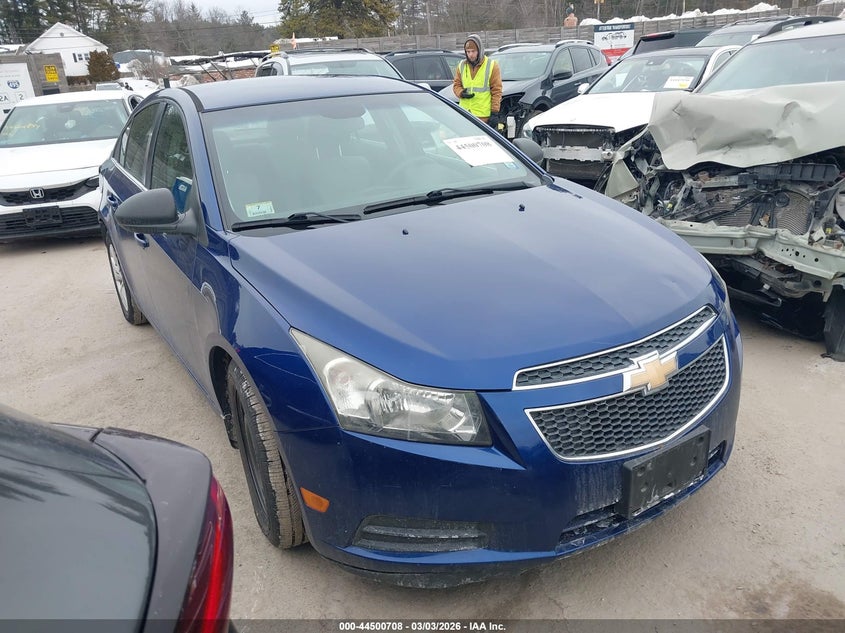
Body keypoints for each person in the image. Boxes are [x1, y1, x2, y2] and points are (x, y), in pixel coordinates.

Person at [452, 34, 503, 132]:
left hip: (483, 116)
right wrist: (461, 93)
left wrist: (494, 112)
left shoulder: (491, 65)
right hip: (465, 114)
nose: (470, 54)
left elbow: (497, 91)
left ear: (479, 50)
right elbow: (456, 85)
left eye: (473, 51)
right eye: (468, 52)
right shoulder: (462, 65)